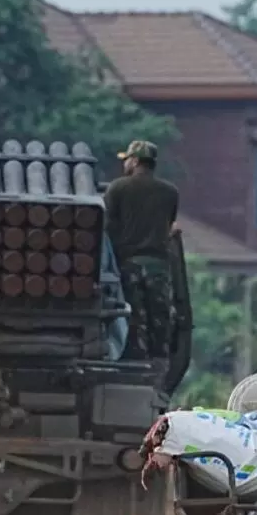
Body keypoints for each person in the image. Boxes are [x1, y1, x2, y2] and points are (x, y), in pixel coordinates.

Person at [103, 140, 179, 360]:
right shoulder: (170, 192)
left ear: (135, 161)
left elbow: (107, 225)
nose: (125, 163)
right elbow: (168, 225)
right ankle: (158, 362)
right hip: (159, 265)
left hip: (129, 264)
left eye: (127, 159)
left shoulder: (117, 188)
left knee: (132, 317)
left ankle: (133, 361)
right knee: (160, 318)